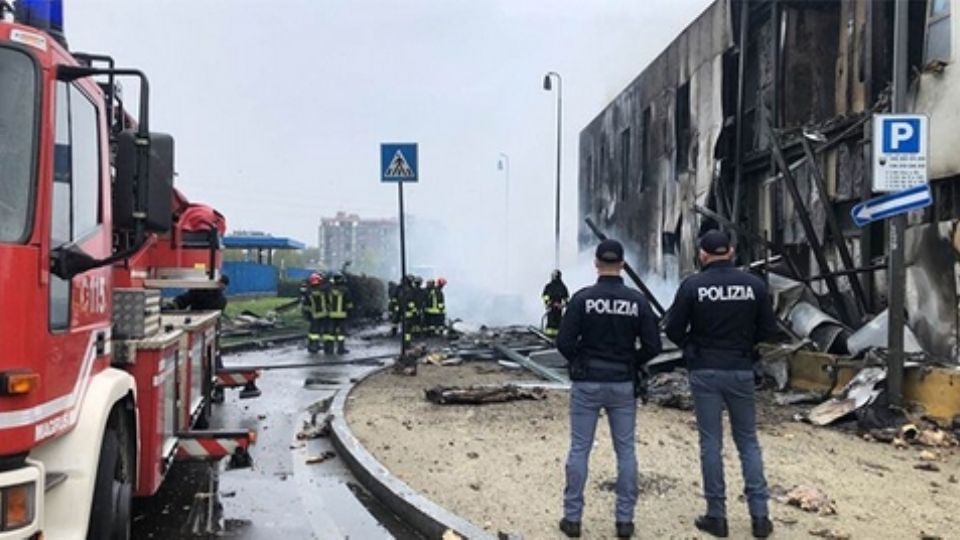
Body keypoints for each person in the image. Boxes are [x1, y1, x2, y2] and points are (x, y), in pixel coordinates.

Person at [664, 230, 778, 539]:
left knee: (710, 443)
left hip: (705, 369)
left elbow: (672, 327)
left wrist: (691, 346)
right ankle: (760, 517)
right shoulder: (754, 285)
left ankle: (717, 515)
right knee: (748, 442)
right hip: (740, 368)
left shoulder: (693, 285)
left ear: (702, 254)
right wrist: (746, 346)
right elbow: (769, 329)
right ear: (731, 250)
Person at [555, 239, 662, 539]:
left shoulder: (582, 299)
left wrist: (581, 360)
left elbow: (563, 343)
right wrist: (631, 361)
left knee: (579, 449)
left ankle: (572, 519)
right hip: (622, 384)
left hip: (587, 382)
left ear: (596, 264)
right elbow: (653, 346)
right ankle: (624, 521)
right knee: (625, 451)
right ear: (623, 265)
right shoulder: (637, 301)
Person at [326, 273, 353, 354]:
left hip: (331, 315)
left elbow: (326, 302)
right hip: (342, 315)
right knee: (341, 334)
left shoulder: (329, 290)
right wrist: (350, 313)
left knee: (331, 333)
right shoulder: (345, 290)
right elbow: (349, 304)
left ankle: (329, 349)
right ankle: (340, 349)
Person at [302, 273, 328, 354]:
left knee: (313, 332)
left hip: (314, 315)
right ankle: (326, 347)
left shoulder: (308, 292)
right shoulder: (324, 290)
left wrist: (307, 315)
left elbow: (306, 305)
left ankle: (313, 346)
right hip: (324, 314)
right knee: (324, 331)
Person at [542, 269, 569, 338]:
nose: (552, 277)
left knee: (558, 322)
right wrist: (549, 303)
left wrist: (563, 305)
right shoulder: (549, 286)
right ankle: (549, 337)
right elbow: (545, 296)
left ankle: (557, 337)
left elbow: (566, 298)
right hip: (551, 308)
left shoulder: (562, 287)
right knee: (551, 322)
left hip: (559, 308)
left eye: (554, 276)